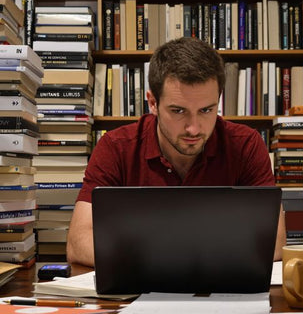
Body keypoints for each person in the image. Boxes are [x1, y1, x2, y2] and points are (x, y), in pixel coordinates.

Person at [67, 37, 286, 267]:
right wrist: (184, 257)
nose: (193, 128)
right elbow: (77, 243)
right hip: (140, 290)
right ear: (152, 103)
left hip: (219, 290)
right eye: (178, 110)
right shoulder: (115, 146)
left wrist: (156, 254)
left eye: (206, 110)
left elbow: (275, 240)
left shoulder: (246, 145)